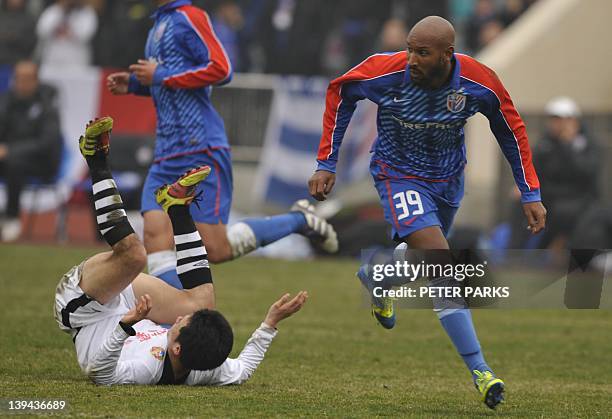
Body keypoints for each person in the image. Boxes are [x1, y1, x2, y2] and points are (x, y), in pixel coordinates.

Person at [308, 16, 546, 409]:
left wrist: (530, 192)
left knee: (426, 258)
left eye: (421, 52)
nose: (412, 59)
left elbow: (511, 129)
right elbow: (341, 90)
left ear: (446, 55)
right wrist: (326, 162)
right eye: (409, 49)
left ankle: (379, 277)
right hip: (397, 176)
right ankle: (481, 371)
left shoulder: (478, 82)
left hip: (449, 182)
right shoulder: (387, 72)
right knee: (440, 262)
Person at [54, 117, 308, 386]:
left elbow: (100, 374)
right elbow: (243, 369)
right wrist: (271, 322)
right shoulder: (206, 367)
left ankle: (95, 158)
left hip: (84, 309)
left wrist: (126, 325)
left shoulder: (146, 368)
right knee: (202, 304)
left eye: (181, 324)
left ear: (176, 349)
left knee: (135, 257)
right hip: (129, 304)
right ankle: (177, 207)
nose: (179, 318)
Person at [106, 0, 337, 290]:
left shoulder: (190, 17)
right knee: (154, 235)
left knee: (216, 249)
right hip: (166, 151)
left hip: (199, 147)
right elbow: (171, 82)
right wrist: (137, 85)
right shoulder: (158, 24)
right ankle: (173, 320)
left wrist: (160, 76)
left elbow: (222, 68)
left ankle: (297, 220)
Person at [0, 60, 62, 241]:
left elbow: (47, 143)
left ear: (36, 80)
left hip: (42, 163)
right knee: (11, 162)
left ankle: (12, 218)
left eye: (26, 79)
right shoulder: (7, 101)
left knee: (14, 163)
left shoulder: (48, 105)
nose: (21, 83)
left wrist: (10, 150)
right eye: (18, 78)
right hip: (9, 157)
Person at [532, 97, 601, 249]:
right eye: (555, 120)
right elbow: (537, 171)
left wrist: (568, 146)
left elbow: (586, 172)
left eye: (564, 119)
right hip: (550, 197)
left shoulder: (587, 144)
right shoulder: (545, 145)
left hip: (582, 199)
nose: (559, 125)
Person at [35, 0, 98, 68]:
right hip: (52, 60)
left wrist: (69, 30)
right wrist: (60, 11)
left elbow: (85, 35)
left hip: (76, 61)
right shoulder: (53, 10)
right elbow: (41, 31)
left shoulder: (87, 12)